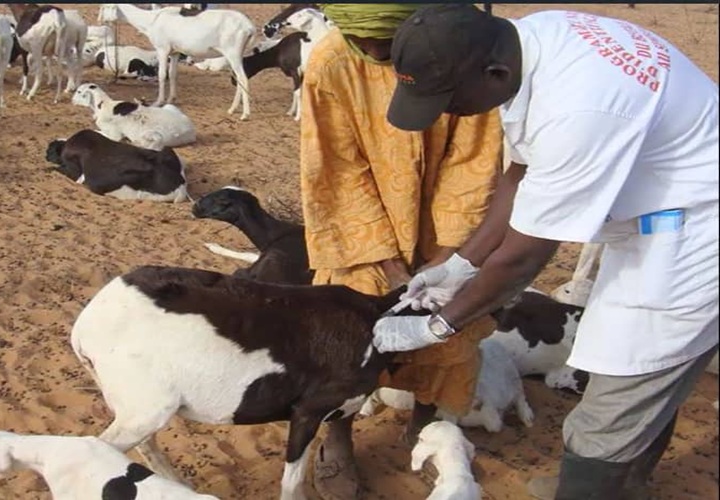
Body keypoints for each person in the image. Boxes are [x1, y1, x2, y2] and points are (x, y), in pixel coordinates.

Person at [374, 4, 719, 499]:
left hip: (697, 239)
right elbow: (522, 173)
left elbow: (525, 257)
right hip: (660, 218)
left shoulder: (578, 109)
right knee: (636, 374)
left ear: (493, 74)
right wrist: (460, 264)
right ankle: (623, 487)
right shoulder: (533, 40)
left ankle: (592, 488)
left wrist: (440, 324)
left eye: (449, 99)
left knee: (620, 394)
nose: (446, 113)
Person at [299, 4, 504, 498]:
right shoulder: (329, 66)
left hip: (447, 227)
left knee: (447, 329)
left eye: (388, 48)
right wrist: (389, 261)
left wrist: (449, 254)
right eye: (365, 46)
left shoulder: (460, 51)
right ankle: (339, 438)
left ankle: (426, 427)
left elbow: (475, 157)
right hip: (361, 238)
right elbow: (336, 169)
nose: (376, 56)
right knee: (345, 338)